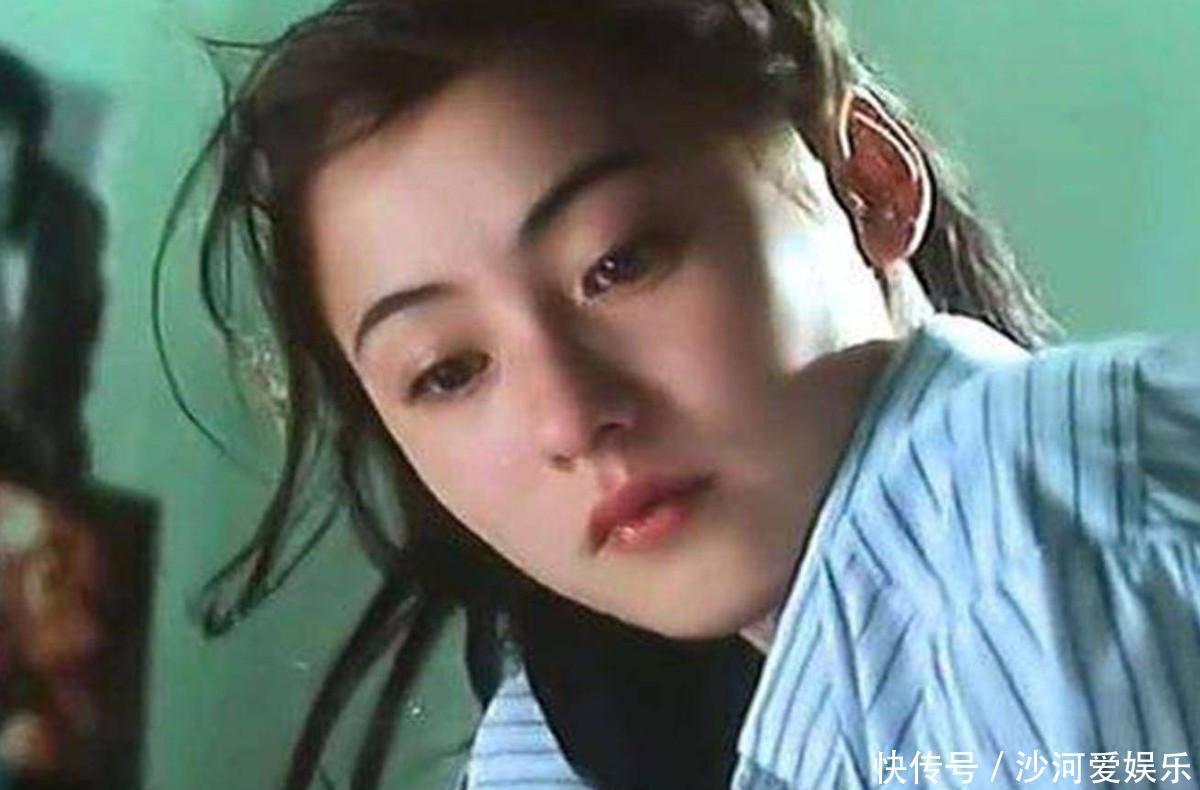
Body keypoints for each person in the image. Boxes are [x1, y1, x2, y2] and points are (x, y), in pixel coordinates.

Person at [162, 0, 1200, 788]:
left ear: (868, 182)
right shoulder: (566, 733)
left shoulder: (1023, 511)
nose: (570, 418)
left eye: (619, 263)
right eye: (449, 370)